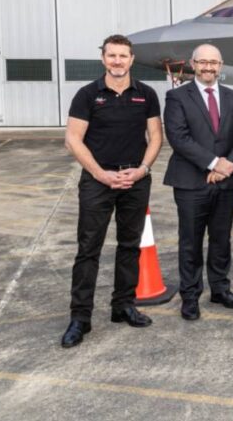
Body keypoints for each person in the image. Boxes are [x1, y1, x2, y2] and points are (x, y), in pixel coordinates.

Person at [61, 34, 163, 348]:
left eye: (123, 56)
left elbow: (156, 136)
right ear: (103, 58)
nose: (117, 61)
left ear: (132, 59)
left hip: (135, 179)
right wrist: (100, 174)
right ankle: (80, 317)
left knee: (129, 246)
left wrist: (143, 169)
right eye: (112, 55)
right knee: (89, 249)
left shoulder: (146, 94)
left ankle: (123, 306)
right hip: (97, 181)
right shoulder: (87, 94)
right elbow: (73, 139)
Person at [164, 44, 233, 321]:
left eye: (213, 63)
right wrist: (215, 163)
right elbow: (179, 137)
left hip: (226, 183)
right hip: (191, 183)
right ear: (193, 64)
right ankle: (190, 297)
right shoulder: (177, 97)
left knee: (221, 239)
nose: (208, 67)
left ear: (221, 65)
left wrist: (227, 167)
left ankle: (220, 289)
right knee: (190, 242)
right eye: (202, 62)